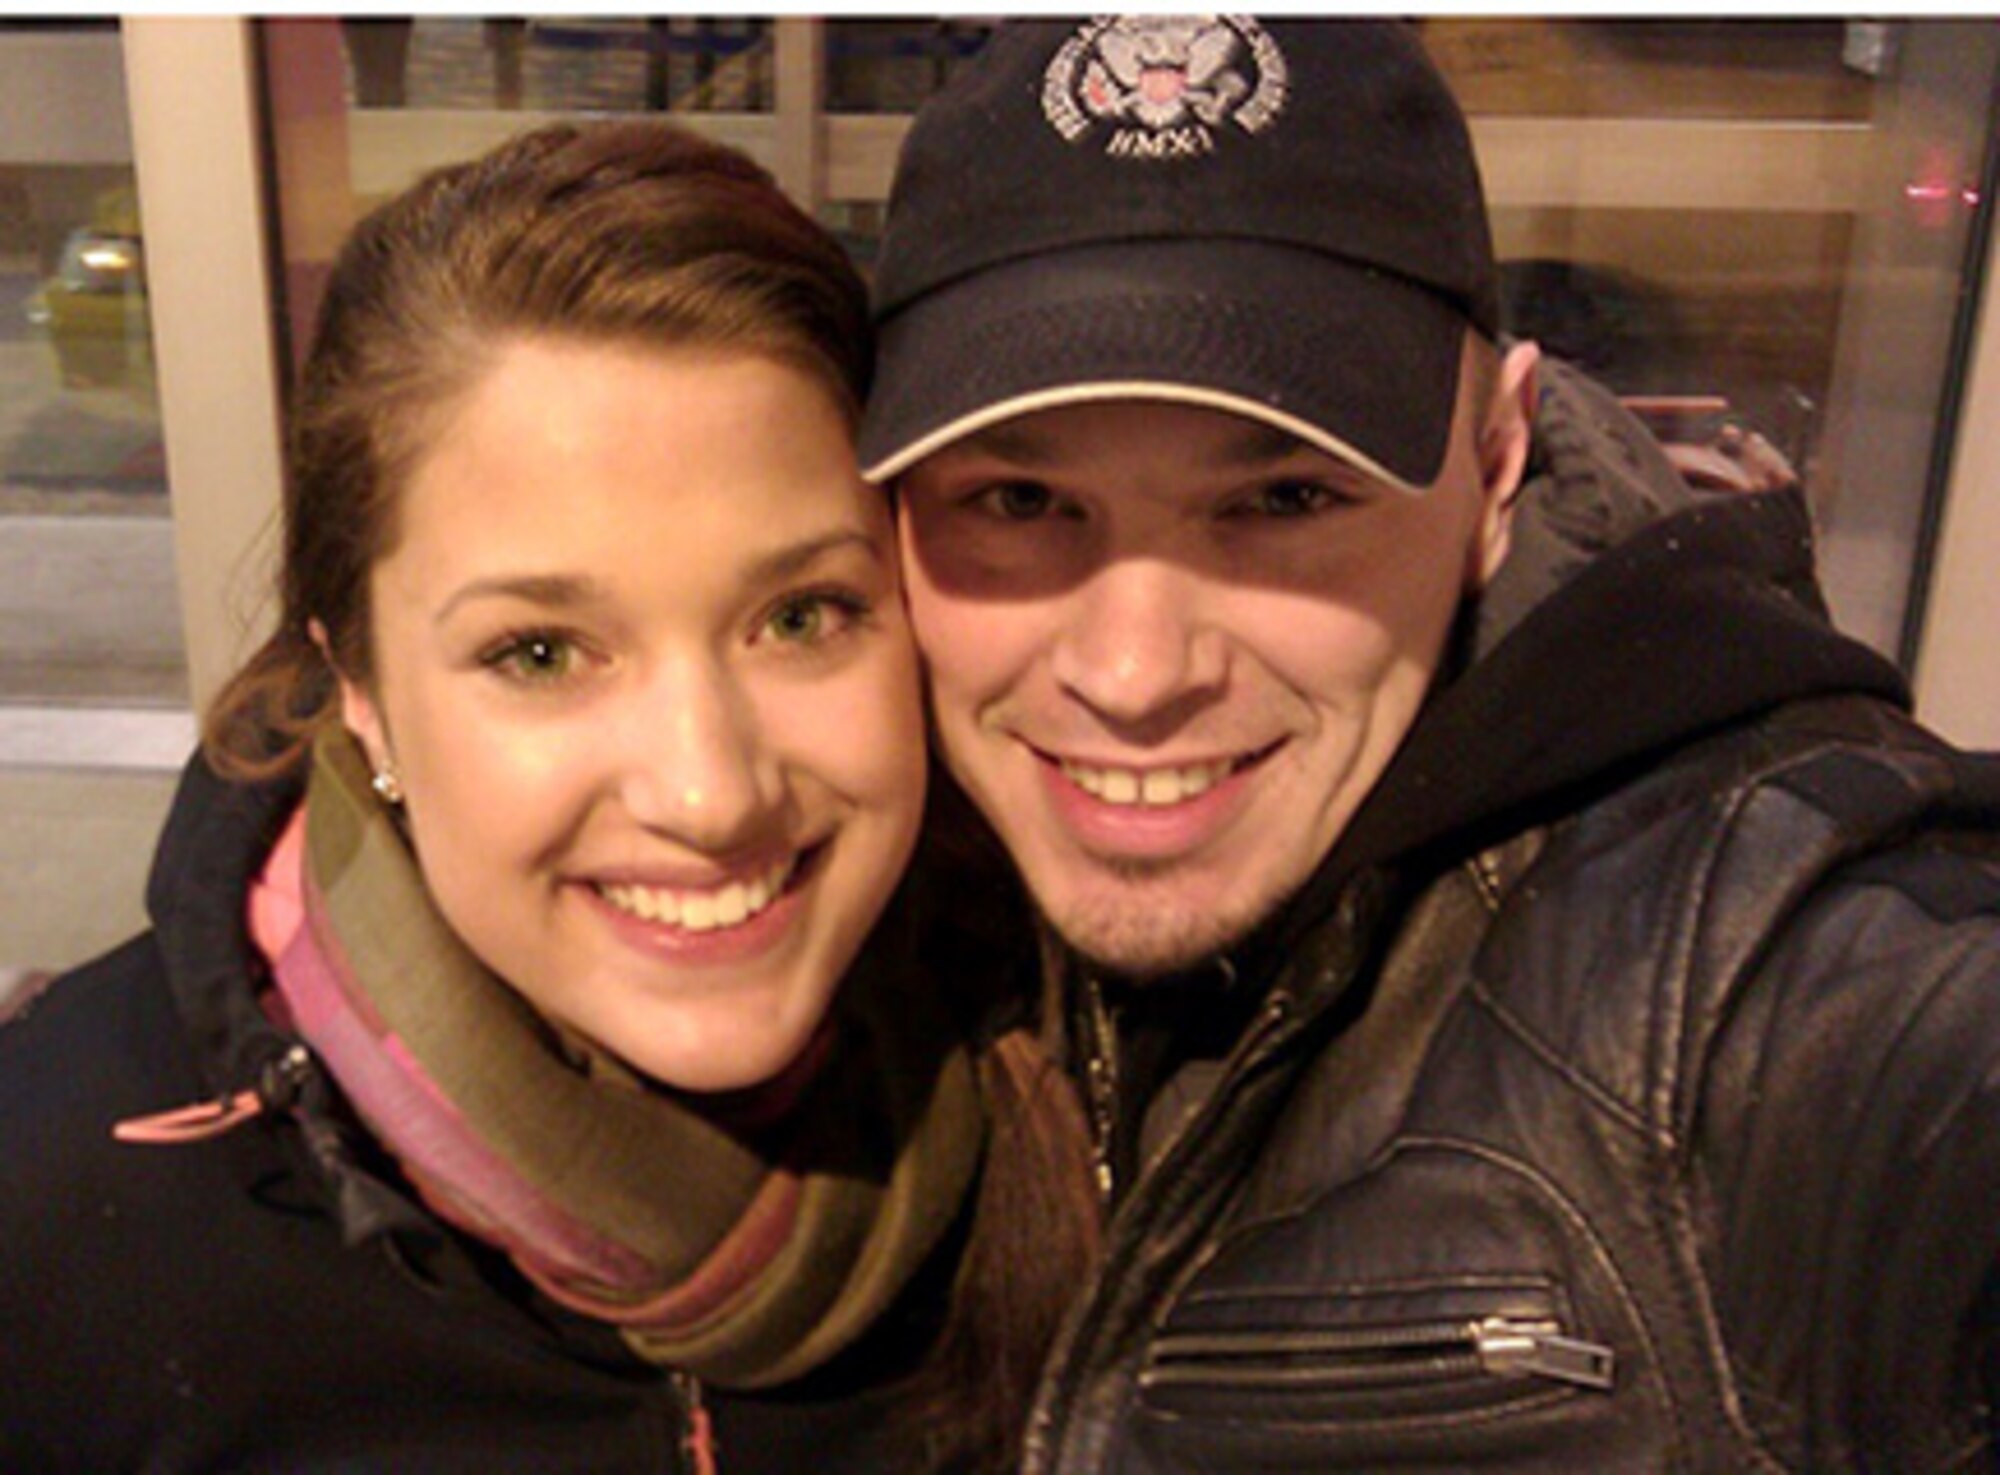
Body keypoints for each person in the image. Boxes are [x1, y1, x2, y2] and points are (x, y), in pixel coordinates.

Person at [858, 18, 2000, 1472]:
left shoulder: (1760, 986)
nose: (1133, 676)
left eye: (1282, 499)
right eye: (1018, 503)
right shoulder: (883, 889)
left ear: (1500, 463)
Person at [0, 119, 1094, 1474]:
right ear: (359, 689)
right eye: (539, 653)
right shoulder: (61, 1212)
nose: (709, 791)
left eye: (803, 616)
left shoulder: (1088, 1069)